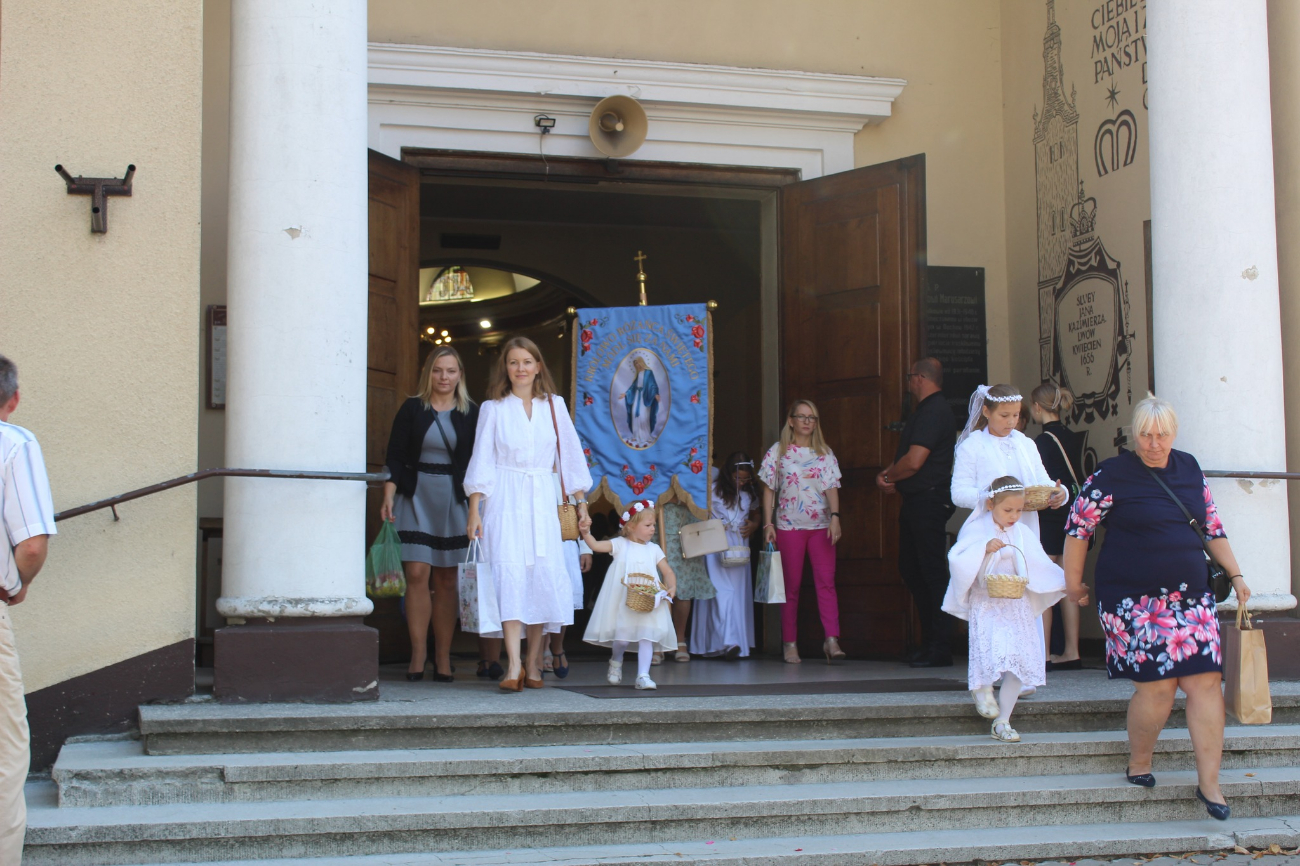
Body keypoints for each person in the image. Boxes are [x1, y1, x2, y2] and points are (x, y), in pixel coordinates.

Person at [1063, 394, 1250, 820]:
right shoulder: (1112, 474)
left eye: (1162, 435)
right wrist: (1073, 584)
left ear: (1174, 433)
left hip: (1191, 596)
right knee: (1159, 687)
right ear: (1134, 435)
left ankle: (1210, 784)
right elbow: (1078, 528)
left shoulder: (1189, 467)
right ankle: (1140, 760)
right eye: (1146, 435)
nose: (1153, 443)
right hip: (1134, 601)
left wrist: (1236, 575)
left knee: (1205, 682)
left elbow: (1212, 526)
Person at [464, 336, 592, 692]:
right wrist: (474, 509)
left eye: (526, 361)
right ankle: (513, 664)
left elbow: (570, 457)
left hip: (543, 498)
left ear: (538, 366)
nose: (520, 368)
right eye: (513, 362)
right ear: (505, 368)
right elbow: (482, 459)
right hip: (504, 498)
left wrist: (582, 503)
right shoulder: (493, 408)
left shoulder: (555, 405)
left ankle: (534, 662)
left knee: (541, 577)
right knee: (508, 574)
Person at [381, 346, 482, 682]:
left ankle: (442, 656)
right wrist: (388, 494)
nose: (444, 377)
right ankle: (418, 653)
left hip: (454, 500)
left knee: (447, 579)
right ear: (429, 373)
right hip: (415, 496)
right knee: (416, 574)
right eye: (438, 370)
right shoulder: (412, 408)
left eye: (451, 371)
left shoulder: (471, 412)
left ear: (460, 375)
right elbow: (395, 455)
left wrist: (476, 507)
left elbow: (479, 464)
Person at [943, 476, 1065, 743]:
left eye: (1019, 510)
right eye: (1008, 510)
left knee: (1017, 662)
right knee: (989, 651)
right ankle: (982, 689)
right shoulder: (977, 529)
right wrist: (983, 549)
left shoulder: (1022, 532)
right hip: (987, 604)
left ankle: (1003, 720)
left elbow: (1039, 563)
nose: (1014, 516)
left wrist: (1067, 584)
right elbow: (957, 558)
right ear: (990, 505)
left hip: (1016, 604)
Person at [0, 354, 55, 862]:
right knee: (4, 753)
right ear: (12, 399)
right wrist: (18, 583)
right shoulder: (13, 442)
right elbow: (32, 544)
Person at [876, 358, 957, 668]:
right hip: (917, 500)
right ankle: (930, 641)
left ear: (921, 378)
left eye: (910, 376)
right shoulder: (924, 411)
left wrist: (888, 477)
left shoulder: (934, 411)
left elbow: (914, 461)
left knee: (932, 572)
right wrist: (891, 475)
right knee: (912, 568)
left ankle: (941, 646)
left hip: (929, 501)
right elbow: (908, 459)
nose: (908, 382)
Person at [760, 399, 843, 665]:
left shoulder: (824, 452)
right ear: (791, 421)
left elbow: (831, 487)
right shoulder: (778, 451)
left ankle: (831, 639)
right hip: (789, 527)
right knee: (791, 586)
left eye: (812, 417)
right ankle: (790, 643)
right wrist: (768, 524)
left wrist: (835, 518)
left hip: (821, 527)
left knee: (826, 582)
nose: (807, 421)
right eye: (802, 416)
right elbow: (769, 489)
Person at [581, 500, 678, 690]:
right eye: (648, 525)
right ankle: (616, 661)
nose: (652, 529)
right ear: (631, 526)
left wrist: (672, 585)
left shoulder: (654, 549)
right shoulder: (620, 545)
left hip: (648, 601)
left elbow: (667, 571)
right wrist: (585, 533)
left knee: (647, 636)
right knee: (622, 639)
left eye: (653, 525)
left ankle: (643, 675)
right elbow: (596, 545)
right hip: (624, 602)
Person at [951, 384, 1068, 539]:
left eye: (1016, 415)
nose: (1011, 422)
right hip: (989, 529)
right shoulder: (972, 446)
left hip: (1026, 527)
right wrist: (992, 498)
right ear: (986, 411)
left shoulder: (1026, 443)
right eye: (1004, 415)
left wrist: (1058, 492)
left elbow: (1041, 480)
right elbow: (958, 493)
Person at [1029, 381, 1087, 670]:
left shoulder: (1040, 442)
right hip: (1073, 515)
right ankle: (1073, 651)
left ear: (1037, 407)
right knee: (1068, 584)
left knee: (1044, 585)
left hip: (1050, 516)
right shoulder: (1073, 437)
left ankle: (1045, 654)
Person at [692, 453, 758, 659]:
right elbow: (698, 514)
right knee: (721, 591)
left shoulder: (748, 493)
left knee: (737, 593)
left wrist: (754, 525)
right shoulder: (712, 491)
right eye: (738, 478)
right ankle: (729, 641)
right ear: (728, 474)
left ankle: (735, 643)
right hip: (716, 544)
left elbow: (756, 513)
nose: (741, 483)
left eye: (745, 479)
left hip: (739, 546)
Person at [660, 501, 714, 662]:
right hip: (657, 524)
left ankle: (679, 639)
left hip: (685, 530)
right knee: (657, 588)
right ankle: (657, 641)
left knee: (684, 588)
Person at [544, 535, 592, 678]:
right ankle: (537, 653)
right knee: (538, 597)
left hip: (564, 542)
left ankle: (557, 647)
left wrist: (585, 547)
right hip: (534, 541)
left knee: (563, 598)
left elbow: (582, 520)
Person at [620, 354, 659, 448]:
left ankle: (646, 436)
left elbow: (653, 384)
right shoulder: (638, 374)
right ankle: (635, 435)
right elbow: (633, 386)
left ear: (641, 362)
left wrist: (655, 394)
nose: (637, 365)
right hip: (637, 396)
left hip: (645, 396)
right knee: (634, 414)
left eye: (637, 363)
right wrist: (626, 393)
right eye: (635, 364)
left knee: (643, 415)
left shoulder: (648, 372)